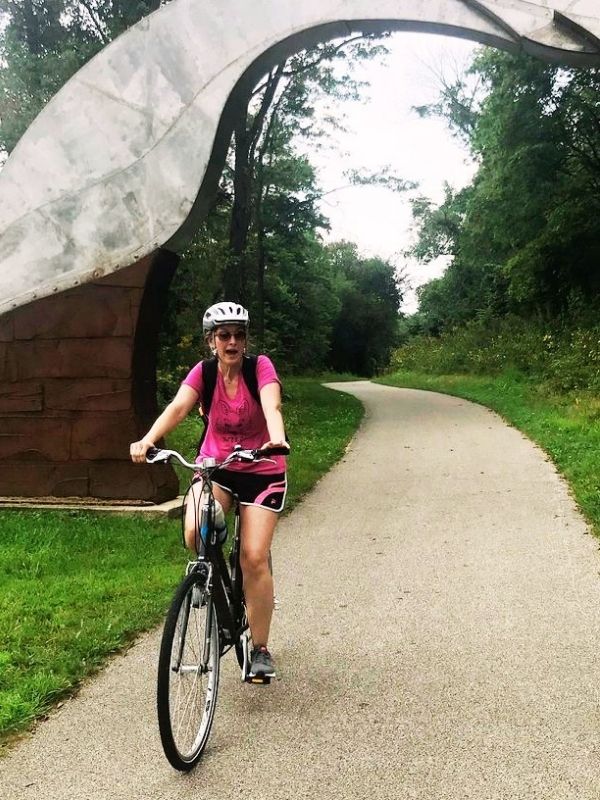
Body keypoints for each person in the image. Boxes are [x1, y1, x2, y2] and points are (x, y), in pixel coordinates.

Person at [130, 301, 289, 678]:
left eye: (239, 335)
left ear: (245, 340)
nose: (232, 341)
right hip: (216, 466)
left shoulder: (259, 367)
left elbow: (273, 405)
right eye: (224, 335)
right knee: (194, 528)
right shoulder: (203, 372)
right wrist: (149, 439)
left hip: (263, 467)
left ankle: (261, 648)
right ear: (211, 341)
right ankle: (208, 568)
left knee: (253, 556)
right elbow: (178, 406)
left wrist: (277, 438)